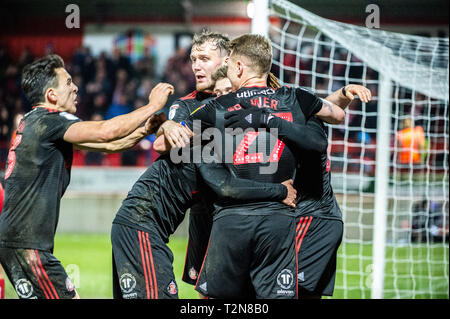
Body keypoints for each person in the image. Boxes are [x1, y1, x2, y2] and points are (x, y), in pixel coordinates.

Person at [0, 54, 180, 299]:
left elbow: (110, 146)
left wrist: (145, 130)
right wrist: (151, 106)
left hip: (20, 241)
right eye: (68, 83)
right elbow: (107, 132)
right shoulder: (50, 121)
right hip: (27, 245)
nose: (75, 88)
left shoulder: (37, 123)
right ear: (51, 95)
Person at [222, 34, 372, 299]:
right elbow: (327, 110)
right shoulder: (292, 112)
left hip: (313, 217)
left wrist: (266, 119)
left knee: (283, 293)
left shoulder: (287, 115)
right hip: (301, 216)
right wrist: (342, 94)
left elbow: (316, 138)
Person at [111, 144, 297, 299]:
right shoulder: (203, 150)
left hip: (137, 228)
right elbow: (227, 187)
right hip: (140, 228)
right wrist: (279, 191)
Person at [165, 30, 231, 296]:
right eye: (194, 59)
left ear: (227, 60)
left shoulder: (253, 97)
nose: (196, 65)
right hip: (205, 212)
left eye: (204, 58)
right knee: (206, 292)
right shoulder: (185, 105)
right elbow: (164, 143)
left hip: (246, 209)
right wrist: (163, 125)